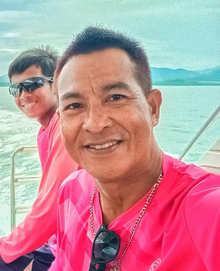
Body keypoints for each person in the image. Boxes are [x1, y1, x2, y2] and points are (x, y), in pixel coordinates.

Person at [50, 26, 220, 270]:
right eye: (74, 105)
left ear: (153, 108)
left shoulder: (207, 217)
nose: (95, 124)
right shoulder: (71, 192)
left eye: (116, 97)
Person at [0, 47, 78, 271]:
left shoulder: (63, 126)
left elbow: (51, 206)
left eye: (32, 85)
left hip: (78, 247)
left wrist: (0, 249)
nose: (23, 95)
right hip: (60, 241)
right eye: (16, 88)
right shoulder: (45, 132)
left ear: (56, 83)